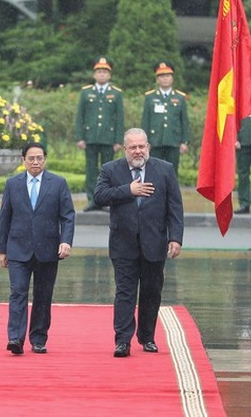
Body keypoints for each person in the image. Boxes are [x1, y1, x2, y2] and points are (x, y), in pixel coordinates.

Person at [93, 128, 184, 357]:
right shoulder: (110, 169)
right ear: (125, 149)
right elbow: (99, 196)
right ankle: (122, 341)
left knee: (151, 292)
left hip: (155, 242)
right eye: (132, 147)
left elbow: (175, 207)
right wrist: (128, 190)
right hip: (123, 243)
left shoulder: (164, 170)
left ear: (148, 147)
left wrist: (175, 238)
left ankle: (147, 337)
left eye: (141, 146)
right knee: (125, 292)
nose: (137, 151)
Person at [0, 142, 75, 355]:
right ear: (23, 161)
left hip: (48, 249)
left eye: (39, 158)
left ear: (45, 159)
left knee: (43, 295)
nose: (35, 162)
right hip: (18, 249)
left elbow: (67, 216)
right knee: (18, 292)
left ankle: (38, 339)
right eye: (31, 158)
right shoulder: (13, 184)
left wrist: (66, 241)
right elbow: (5, 218)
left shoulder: (58, 183)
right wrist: (1, 250)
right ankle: (15, 338)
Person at [75, 56, 124, 212]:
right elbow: (80, 116)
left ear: (109, 75)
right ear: (94, 75)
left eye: (105, 72)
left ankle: (107, 200)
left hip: (108, 139)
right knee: (91, 170)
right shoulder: (86, 92)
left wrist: (118, 140)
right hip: (90, 138)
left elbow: (119, 119)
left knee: (109, 171)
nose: (102, 74)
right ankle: (92, 200)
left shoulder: (116, 93)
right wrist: (80, 137)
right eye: (99, 72)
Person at [141, 62, 190, 175]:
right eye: (161, 76)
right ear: (157, 79)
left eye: (167, 76)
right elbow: (145, 121)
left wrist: (184, 142)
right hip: (155, 141)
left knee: (172, 172)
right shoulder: (150, 97)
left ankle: (171, 193)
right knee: (153, 172)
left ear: (172, 78)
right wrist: (145, 142)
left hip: (173, 141)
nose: (165, 79)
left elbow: (184, 121)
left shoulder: (179, 97)